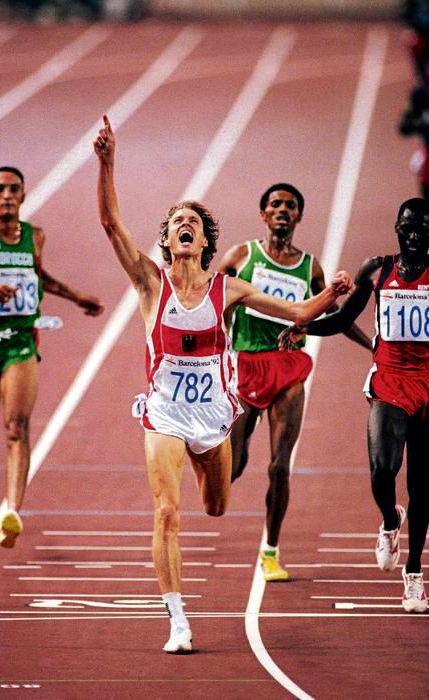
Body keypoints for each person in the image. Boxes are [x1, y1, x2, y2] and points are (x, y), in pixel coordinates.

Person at [93, 116, 354, 652]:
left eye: (194, 221)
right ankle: (178, 620)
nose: (184, 224)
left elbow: (299, 309)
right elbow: (110, 225)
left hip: (213, 416)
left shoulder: (228, 289)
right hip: (164, 413)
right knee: (167, 512)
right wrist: (107, 163)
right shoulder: (149, 282)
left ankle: (216, 484)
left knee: (215, 506)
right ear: (166, 240)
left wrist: (336, 295)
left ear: (206, 240)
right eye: (176, 221)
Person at [216, 184, 372, 582]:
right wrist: (217, 347)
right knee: (233, 466)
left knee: (280, 465)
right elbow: (212, 297)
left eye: (290, 206)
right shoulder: (241, 255)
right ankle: (225, 464)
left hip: (288, 369)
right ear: (263, 214)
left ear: (299, 217)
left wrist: (373, 345)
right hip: (246, 365)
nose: (282, 210)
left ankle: (270, 550)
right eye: (275, 204)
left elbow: (333, 314)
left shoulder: (310, 268)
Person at [280, 197, 428, 613]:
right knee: (383, 470)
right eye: (407, 227)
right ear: (396, 227)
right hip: (389, 380)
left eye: (422, 229)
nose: (414, 235)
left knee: (422, 486)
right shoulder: (377, 269)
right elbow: (345, 320)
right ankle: (388, 521)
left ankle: (414, 572)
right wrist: (303, 327)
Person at [0, 166, 104, 548]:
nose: (7, 196)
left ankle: (12, 510)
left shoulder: (36, 237)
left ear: (23, 196)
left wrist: (76, 296)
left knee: (16, 427)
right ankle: (12, 504)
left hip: (21, 342)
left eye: (14, 190)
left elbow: (40, 278)